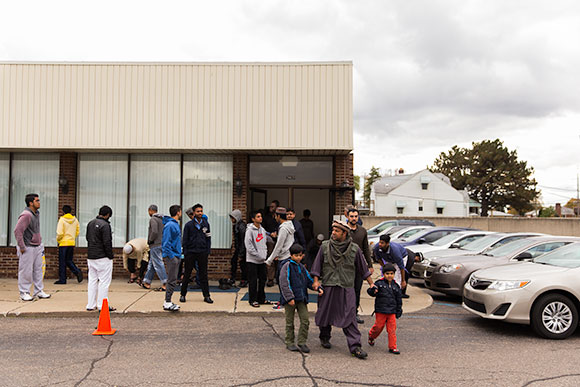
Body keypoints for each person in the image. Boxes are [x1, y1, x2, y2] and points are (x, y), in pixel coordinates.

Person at [310, 220, 375, 359]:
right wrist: (316, 282)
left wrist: (371, 284)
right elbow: (317, 266)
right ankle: (325, 337)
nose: (333, 233)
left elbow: (363, 269)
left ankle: (355, 347)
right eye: (332, 230)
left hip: (346, 287)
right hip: (328, 286)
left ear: (344, 233)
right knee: (325, 313)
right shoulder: (325, 247)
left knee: (350, 316)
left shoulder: (355, 249)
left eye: (336, 231)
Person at [279, 243, 323, 353]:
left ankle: (302, 342)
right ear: (291, 255)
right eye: (296, 255)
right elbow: (284, 283)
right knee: (290, 322)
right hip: (290, 300)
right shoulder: (287, 266)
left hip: (301, 299)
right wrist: (289, 298)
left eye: (300, 255)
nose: (298, 257)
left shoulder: (302, 267)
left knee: (305, 321)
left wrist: (317, 288)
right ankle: (290, 342)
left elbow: (309, 280)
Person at [13, 193, 50, 301]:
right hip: (27, 247)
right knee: (26, 271)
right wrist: (22, 246)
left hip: (37, 246)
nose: (39, 202)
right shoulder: (26, 215)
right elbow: (17, 231)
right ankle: (24, 292)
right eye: (37, 201)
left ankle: (38, 291)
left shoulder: (36, 213)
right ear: (30, 203)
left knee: (38, 270)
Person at [367, 263, 402, 354]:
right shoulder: (379, 284)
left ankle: (392, 347)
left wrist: (399, 310)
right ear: (383, 274)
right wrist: (372, 290)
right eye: (387, 274)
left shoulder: (396, 286)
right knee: (378, 327)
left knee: (392, 330)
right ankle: (371, 336)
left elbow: (399, 299)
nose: (389, 275)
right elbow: (370, 292)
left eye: (391, 273)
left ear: (394, 274)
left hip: (392, 311)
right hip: (381, 310)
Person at [182, 203, 213, 304]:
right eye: (198, 211)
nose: (200, 213)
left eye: (201, 211)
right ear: (194, 213)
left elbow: (208, 238)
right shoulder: (188, 225)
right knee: (187, 274)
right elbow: (184, 240)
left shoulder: (206, 224)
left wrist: (207, 250)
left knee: (203, 275)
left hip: (202, 252)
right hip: (190, 253)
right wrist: (186, 252)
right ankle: (183, 295)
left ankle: (207, 296)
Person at [347, 208, 373, 324]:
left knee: (357, 289)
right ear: (347, 216)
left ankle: (354, 312)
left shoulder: (362, 231)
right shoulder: (343, 230)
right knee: (346, 289)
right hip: (345, 266)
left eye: (356, 216)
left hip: (359, 265)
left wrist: (370, 265)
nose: (354, 218)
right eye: (352, 216)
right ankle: (345, 312)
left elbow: (366, 248)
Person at [86, 205, 114, 311]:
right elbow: (107, 242)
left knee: (92, 280)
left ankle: (90, 304)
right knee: (104, 282)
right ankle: (102, 305)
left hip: (91, 255)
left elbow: (87, 238)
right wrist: (110, 255)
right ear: (107, 215)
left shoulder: (90, 223)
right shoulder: (105, 225)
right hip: (103, 257)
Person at [244, 210, 269, 307]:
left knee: (262, 280)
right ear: (253, 219)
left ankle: (261, 299)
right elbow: (249, 246)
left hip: (262, 260)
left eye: (261, 216)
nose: (260, 218)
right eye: (258, 216)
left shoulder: (262, 230)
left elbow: (264, 243)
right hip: (252, 260)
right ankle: (252, 300)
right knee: (253, 281)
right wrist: (258, 255)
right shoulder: (249, 230)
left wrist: (264, 255)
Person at [54, 205, 83, 285]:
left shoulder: (62, 220)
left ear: (63, 211)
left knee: (62, 262)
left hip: (63, 243)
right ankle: (77, 271)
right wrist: (72, 237)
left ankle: (62, 279)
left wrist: (59, 240)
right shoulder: (75, 220)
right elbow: (77, 231)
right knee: (69, 260)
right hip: (71, 243)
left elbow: (60, 233)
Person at [142, 205, 167, 291]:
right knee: (152, 264)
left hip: (155, 244)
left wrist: (150, 240)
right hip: (162, 243)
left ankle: (165, 282)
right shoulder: (162, 219)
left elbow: (154, 231)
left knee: (158, 263)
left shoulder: (153, 219)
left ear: (150, 210)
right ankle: (147, 282)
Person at [162, 205, 182, 312]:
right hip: (172, 257)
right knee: (172, 280)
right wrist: (172, 257)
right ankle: (167, 302)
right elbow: (166, 243)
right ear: (178, 212)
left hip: (176, 255)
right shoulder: (170, 225)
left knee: (173, 280)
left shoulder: (174, 224)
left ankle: (168, 301)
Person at [265, 207, 295, 273]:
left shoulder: (283, 228)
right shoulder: (290, 225)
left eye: (275, 216)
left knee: (282, 280)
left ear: (278, 216)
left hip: (284, 258)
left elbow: (279, 246)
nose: (275, 217)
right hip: (288, 255)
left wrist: (269, 260)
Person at [229, 209, 247, 287]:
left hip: (242, 249)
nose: (231, 220)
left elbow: (243, 240)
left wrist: (241, 253)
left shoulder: (241, 226)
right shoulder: (236, 225)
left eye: (233, 218)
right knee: (234, 262)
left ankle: (244, 280)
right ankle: (233, 278)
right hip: (239, 248)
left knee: (243, 265)